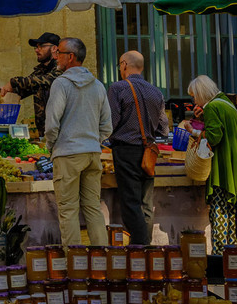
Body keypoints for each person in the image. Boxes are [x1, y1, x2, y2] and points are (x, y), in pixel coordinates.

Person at [44, 36, 112, 248]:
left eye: (59, 53)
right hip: (92, 154)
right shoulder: (98, 85)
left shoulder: (61, 83)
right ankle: (103, 261)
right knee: (92, 208)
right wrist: (93, 141)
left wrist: (51, 145)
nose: (55, 57)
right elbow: (107, 125)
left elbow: (52, 123)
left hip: (67, 153)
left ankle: (75, 266)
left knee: (68, 211)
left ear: (70, 57)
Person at [106, 49, 168, 248]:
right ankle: (146, 250)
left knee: (131, 202)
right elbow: (163, 129)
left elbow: (110, 124)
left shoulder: (118, 88)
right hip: (149, 152)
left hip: (126, 151)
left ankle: (140, 248)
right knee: (145, 203)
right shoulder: (155, 91)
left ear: (124, 64)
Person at [189, 75, 237, 251]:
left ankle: (219, 258)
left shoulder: (212, 107)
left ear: (200, 93)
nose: (193, 100)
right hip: (236, 167)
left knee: (219, 212)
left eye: (193, 95)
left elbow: (214, 137)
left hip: (222, 169)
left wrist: (194, 132)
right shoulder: (227, 104)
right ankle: (234, 260)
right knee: (233, 214)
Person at [0, 32, 62, 137]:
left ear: (54, 48)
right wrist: (9, 90)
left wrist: (13, 82)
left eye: (41, 46)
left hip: (62, 132)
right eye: (36, 47)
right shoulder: (40, 71)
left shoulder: (60, 67)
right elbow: (27, 87)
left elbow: (47, 81)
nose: (37, 50)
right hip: (44, 133)